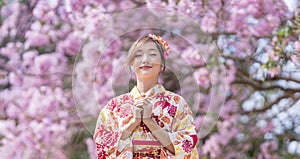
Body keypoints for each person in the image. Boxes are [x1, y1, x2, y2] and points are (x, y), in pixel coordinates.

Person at [94, 34, 199, 158]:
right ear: (131, 63)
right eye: (138, 55)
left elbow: (187, 146)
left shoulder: (177, 103)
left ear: (162, 63)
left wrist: (150, 122)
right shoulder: (113, 107)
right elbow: (102, 146)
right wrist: (133, 122)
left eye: (152, 54)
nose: (145, 60)